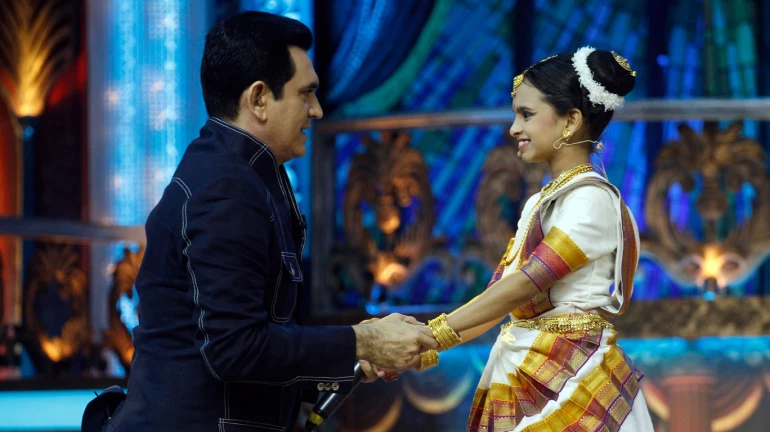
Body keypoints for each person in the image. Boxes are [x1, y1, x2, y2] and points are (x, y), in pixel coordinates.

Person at [88, 11, 437, 432]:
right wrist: (361, 341)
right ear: (258, 99)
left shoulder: (233, 174)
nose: (317, 110)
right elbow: (235, 348)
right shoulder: (226, 188)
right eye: (305, 94)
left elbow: (252, 343)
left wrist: (355, 354)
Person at [413, 47, 654, 431]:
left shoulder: (591, 199)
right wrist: (421, 348)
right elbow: (499, 299)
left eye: (526, 114)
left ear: (570, 120)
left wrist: (430, 336)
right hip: (530, 363)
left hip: (575, 373)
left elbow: (526, 284)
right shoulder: (539, 202)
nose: (513, 129)